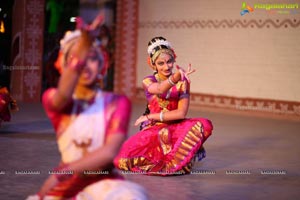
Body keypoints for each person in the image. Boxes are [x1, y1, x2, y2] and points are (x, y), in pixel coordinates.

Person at [26, 15, 148, 200]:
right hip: (65, 186)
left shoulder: (117, 102)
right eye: (75, 60)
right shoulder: (53, 98)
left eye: (91, 59)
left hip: (105, 184)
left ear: (101, 64)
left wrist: (61, 173)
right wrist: (84, 45)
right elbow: (64, 95)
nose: (84, 66)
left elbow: (109, 152)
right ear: (63, 65)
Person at [114, 36, 213, 176]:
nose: (166, 67)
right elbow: (159, 89)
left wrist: (149, 116)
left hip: (176, 127)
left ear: (174, 60)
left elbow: (181, 114)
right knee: (121, 159)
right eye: (161, 63)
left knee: (204, 124)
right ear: (153, 64)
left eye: (169, 61)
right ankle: (174, 161)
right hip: (154, 128)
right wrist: (175, 78)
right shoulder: (148, 81)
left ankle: (174, 162)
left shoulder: (183, 82)